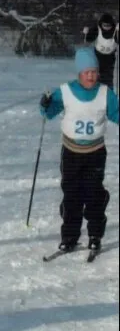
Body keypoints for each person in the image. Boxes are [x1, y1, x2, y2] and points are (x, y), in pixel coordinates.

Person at [39, 46, 118, 253]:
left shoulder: (105, 93)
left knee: (93, 194)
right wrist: (45, 104)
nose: (91, 76)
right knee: (72, 195)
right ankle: (69, 236)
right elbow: (48, 112)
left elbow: (117, 113)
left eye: (94, 72)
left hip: (95, 153)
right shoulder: (65, 91)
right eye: (86, 72)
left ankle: (95, 235)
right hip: (71, 153)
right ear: (79, 73)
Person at [82, 13, 119, 91]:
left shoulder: (115, 30)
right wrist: (86, 33)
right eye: (104, 25)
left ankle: (109, 93)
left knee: (108, 76)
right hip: (98, 56)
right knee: (97, 75)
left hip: (110, 57)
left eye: (108, 26)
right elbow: (88, 41)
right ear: (101, 24)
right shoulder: (97, 29)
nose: (106, 28)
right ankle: (96, 92)